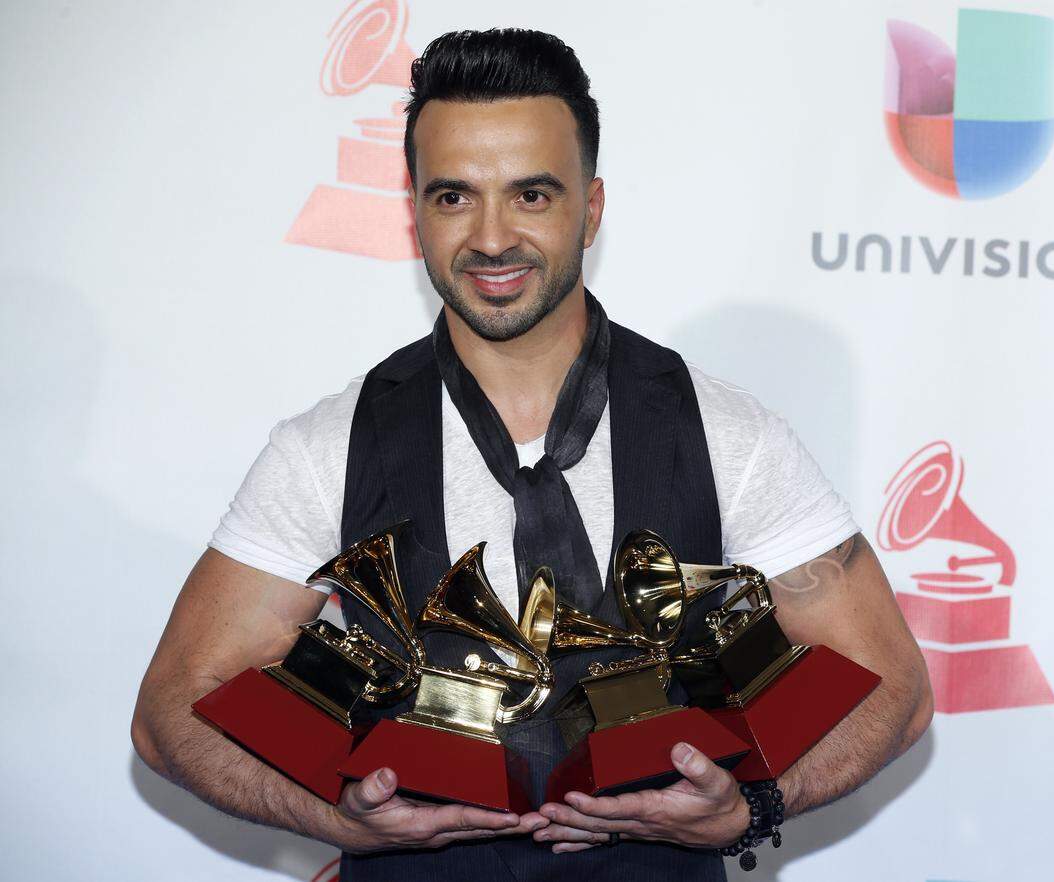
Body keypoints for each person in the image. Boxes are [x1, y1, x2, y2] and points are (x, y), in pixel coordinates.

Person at [131, 27, 932, 882]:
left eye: (531, 195)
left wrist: (752, 806)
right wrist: (336, 819)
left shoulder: (726, 434)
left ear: (590, 208)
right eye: (453, 198)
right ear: (414, 214)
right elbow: (170, 712)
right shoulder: (326, 448)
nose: (490, 237)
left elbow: (895, 688)